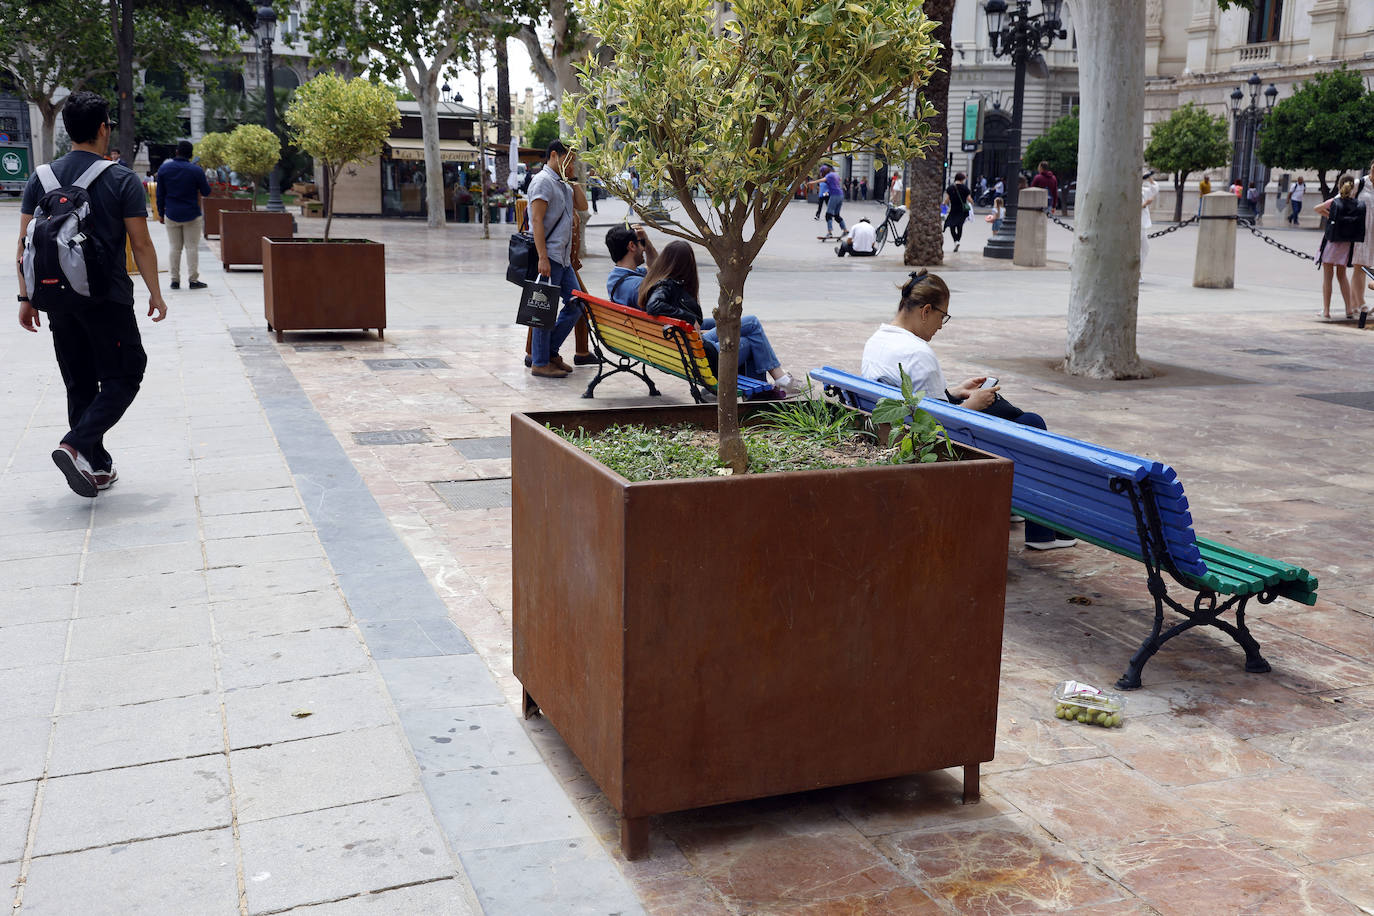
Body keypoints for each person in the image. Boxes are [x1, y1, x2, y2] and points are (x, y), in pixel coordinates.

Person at [16, 90, 167, 497]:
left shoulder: (40, 177)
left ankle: (96, 466)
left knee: (79, 381)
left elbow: (24, 244)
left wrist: (25, 298)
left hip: (57, 297)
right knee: (126, 373)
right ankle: (76, 444)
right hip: (108, 298)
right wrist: (156, 293)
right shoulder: (120, 178)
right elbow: (142, 244)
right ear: (104, 129)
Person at [861, 270, 1076, 550]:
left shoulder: (877, 340)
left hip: (894, 431)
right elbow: (940, 424)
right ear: (926, 311)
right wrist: (970, 404)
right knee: (1031, 423)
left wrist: (953, 392)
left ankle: (1021, 511)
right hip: (929, 443)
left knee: (1012, 416)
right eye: (943, 316)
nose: (941, 326)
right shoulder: (918, 352)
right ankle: (1042, 533)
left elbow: (921, 401)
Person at [636, 240, 797, 389]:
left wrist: (693, 322)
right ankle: (780, 380)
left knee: (735, 324)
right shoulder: (665, 285)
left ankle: (770, 385)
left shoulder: (660, 281)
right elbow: (654, 305)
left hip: (684, 346)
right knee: (751, 329)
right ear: (685, 265)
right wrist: (690, 318)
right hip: (700, 354)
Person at [526, 140, 583, 379]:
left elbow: (583, 204)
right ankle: (540, 362)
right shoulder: (542, 181)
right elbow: (536, 221)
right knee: (543, 310)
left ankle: (549, 352)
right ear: (554, 156)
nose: (572, 165)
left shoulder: (562, 184)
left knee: (576, 304)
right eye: (568, 159)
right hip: (549, 256)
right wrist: (542, 257)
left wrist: (572, 179)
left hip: (563, 258)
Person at [155, 139, 212, 291]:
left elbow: (159, 195)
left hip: (171, 213)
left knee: (174, 247)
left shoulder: (164, 169)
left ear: (177, 152)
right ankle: (193, 280)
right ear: (191, 154)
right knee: (191, 248)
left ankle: (175, 280)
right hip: (191, 214)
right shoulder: (196, 170)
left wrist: (161, 213)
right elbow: (206, 191)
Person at [1313, 175, 1359, 321]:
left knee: (1328, 277)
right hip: (1346, 244)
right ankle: (1349, 309)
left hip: (1331, 241)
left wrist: (1330, 216)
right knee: (1342, 275)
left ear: (1339, 186)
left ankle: (1326, 310)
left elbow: (1317, 208)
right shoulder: (1356, 204)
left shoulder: (1334, 201)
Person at [1342, 161, 1374, 327]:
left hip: (1373, 235)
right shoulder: (1359, 184)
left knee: (1365, 267)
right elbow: (1339, 201)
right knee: (1359, 267)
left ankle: (1356, 304)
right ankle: (1360, 302)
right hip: (1360, 232)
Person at [605, 223, 658, 306]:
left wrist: (646, 241)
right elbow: (658, 269)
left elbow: (655, 268)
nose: (644, 249)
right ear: (632, 246)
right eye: (642, 243)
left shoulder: (613, 278)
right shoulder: (639, 286)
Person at [806, 165, 847, 240]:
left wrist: (812, 182)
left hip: (834, 195)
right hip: (841, 195)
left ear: (823, 172)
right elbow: (839, 179)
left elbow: (822, 180)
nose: (820, 174)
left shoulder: (829, 176)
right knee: (836, 215)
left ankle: (829, 232)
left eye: (821, 172)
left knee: (828, 214)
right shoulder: (835, 174)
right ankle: (845, 230)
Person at [942, 172, 971, 252]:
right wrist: (972, 202)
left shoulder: (950, 188)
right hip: (962, 210)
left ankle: (956, 241)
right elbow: (969, 199)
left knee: (951, 226)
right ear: (962, 179)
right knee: (960, 226)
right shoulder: (965, 188)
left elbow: (947, 200)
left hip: (953, 210)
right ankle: (958, 240)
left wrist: (943, 204)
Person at [1140, 172, 1158, 273]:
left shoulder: (1142, 190)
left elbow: (1154, 190)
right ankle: (1138, 274)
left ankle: (1139, 273)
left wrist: (1150, 178)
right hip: (1138, 225)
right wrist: (1145, 204)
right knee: (1140, 250)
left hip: (1142, 224)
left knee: (1145, 249)